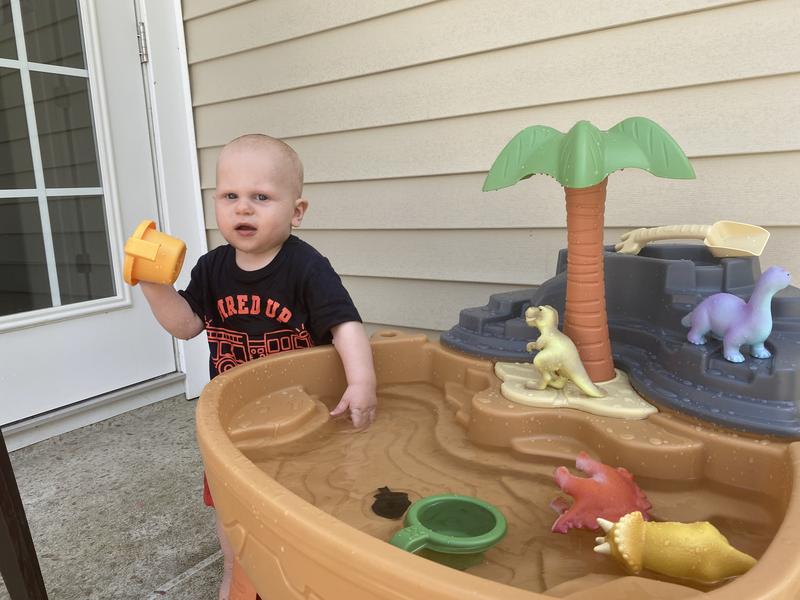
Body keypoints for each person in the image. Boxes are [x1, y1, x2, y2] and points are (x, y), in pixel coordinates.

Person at [137, 133, 377, 600]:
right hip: (233, 422)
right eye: (230, 196)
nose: (243, 208)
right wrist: (153, 288)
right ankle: (238, 571)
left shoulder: (307, 267)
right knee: (230, 499)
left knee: (304, 499)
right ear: (216, 203)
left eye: (261, 197)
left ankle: (302, 573)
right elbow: (187, 326)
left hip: (302, 418)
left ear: (297, 210)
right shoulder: (211, 267)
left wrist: (362, 382)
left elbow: (345, 324)